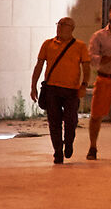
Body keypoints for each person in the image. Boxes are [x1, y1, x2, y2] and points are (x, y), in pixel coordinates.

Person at [31, 17, 87, 164]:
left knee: (71, 120)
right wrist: (33, 86)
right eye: (59, 24)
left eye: (64, 25)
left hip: (71, 90)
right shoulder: (48, 44)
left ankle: (68, 143)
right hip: (52, 89)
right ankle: (57, 151)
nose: (60, 27)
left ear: (72, 28)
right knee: (54, 121)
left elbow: (86, 67)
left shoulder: (80, 46)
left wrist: (84, 85)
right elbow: (39, 65)